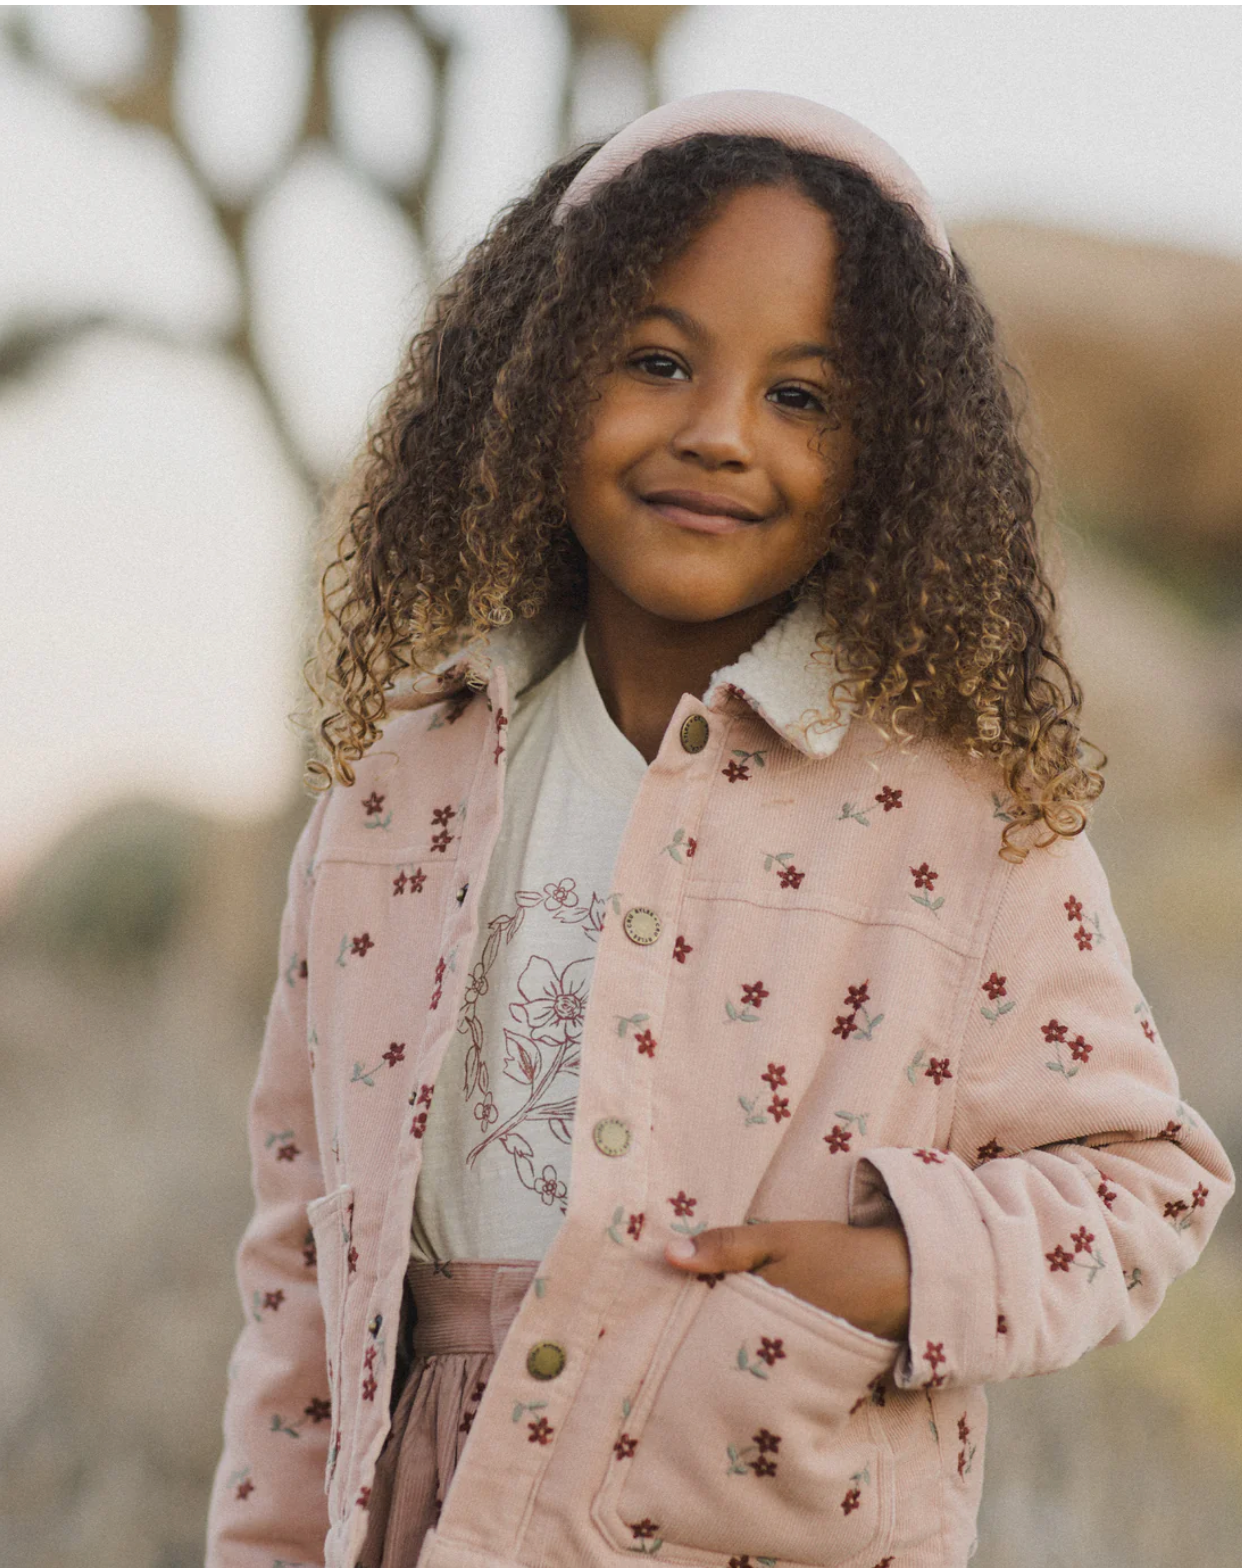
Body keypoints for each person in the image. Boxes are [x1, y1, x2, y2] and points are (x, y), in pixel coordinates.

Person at [205, 91, 1234, 1568]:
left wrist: (890, 1271)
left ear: (894, 456)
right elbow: (305, 1245)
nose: (718, 434)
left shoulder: (959, 816)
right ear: (537, 379)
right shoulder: (397, 792)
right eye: (657, 361)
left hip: (763, 1522)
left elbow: (1144, 1179)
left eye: (801, 396)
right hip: (426, 1506)